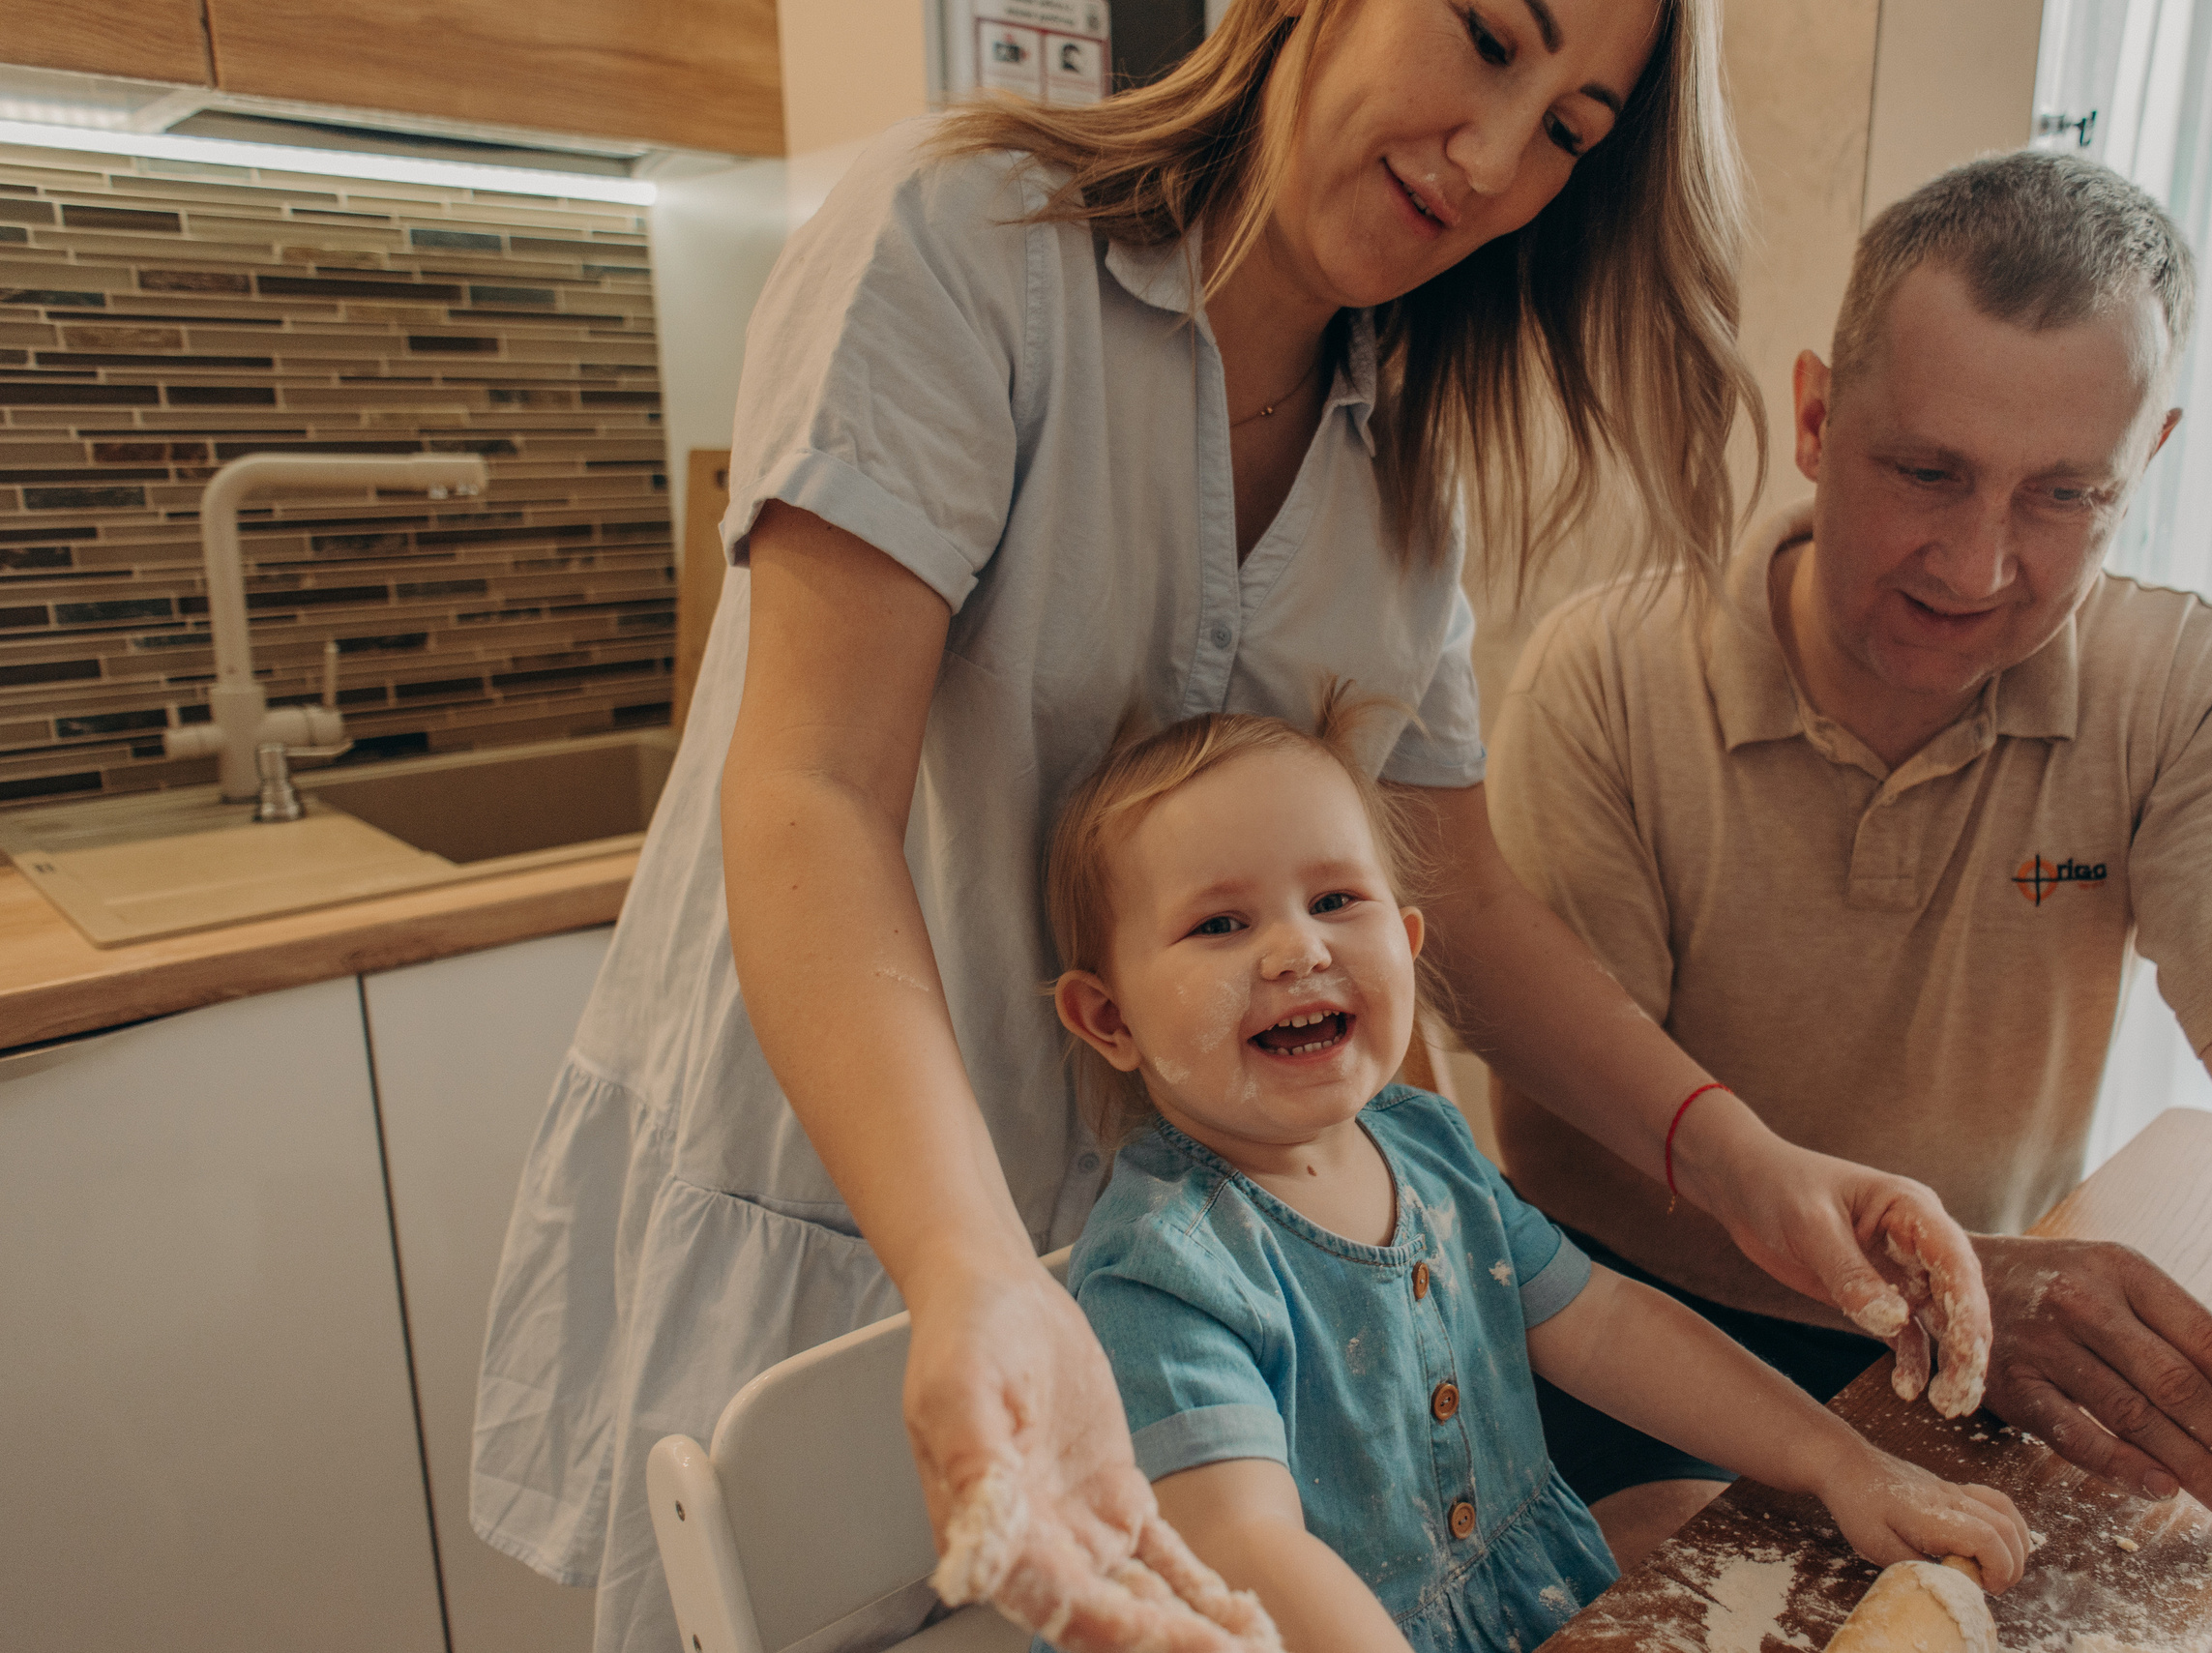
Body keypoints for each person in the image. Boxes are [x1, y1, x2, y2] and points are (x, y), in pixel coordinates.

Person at [471, 5, 1998, 1649]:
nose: (1492, 161)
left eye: (1567, 130)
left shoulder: (1407, 452)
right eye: (1489, 38)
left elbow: (1461, 898)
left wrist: (1741, 1161)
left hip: (1168, 1290)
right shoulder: (967, 248)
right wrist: (974, 1264)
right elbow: (813, 792)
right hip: (864, 1212)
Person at [1487, 150, 2212, 1649]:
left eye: (2067, 494)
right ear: (1818, 417)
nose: (1979, 565)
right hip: (1639, 1344)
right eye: (1926, 472)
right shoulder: (1609, 680)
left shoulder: (2211, 695)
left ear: (2153, 453)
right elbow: (1567, 1146)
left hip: (1978, 1361)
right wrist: (1956, 1299)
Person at [1041, 700, 2029, 1653]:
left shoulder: (1425, 1143)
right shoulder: (1162, 1271)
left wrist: (1840, 1463)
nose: (1299, 946)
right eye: (1219, 924)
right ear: (1108, 1018)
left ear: (1408, 942)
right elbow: (1249, 1550)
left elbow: (1602, 1323)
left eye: (1337, 899)